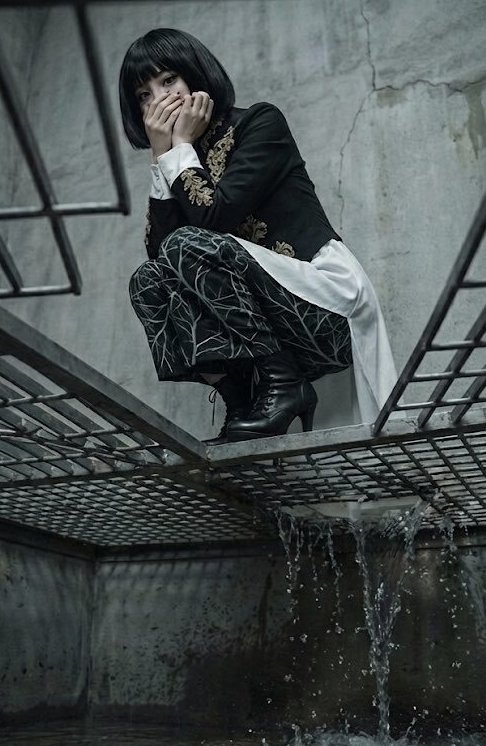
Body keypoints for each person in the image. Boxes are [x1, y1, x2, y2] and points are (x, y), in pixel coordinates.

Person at [119, 27, 396, 443]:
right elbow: (162, 260)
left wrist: (176, 150)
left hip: (323, 306)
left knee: (187, 244)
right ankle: (242, 402)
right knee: (148, 281)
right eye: (144, 95)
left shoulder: (260, 122)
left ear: (195, 74)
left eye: (168, 80)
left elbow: (212, 217)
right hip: (270, 326)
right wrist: (161, 158)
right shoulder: (178, 158)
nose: (159, 100)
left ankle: (285, 386)